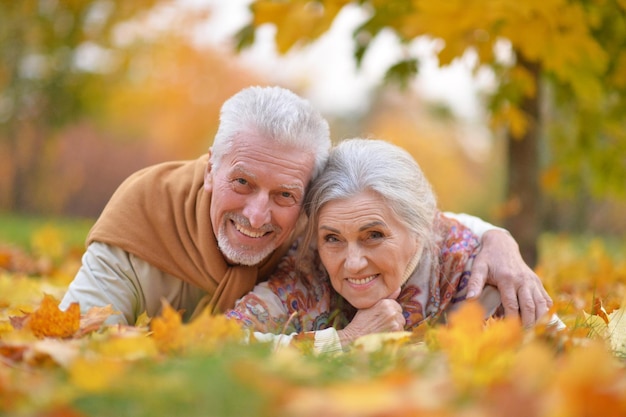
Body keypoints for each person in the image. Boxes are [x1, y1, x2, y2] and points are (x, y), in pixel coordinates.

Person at [60, 86, 550, 326]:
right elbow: (71, 340)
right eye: (241, 182)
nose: (257, 215)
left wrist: (496, 239)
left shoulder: (315, 226)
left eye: (284, 196)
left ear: (308, 200)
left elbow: (402, 218)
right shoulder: (143, 215)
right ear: (209, 168)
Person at [226, 138, 562, 353]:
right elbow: (218, 343)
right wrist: (343, 341)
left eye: (373, 236)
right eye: (333, 239)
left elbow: (566, 355)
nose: (353, 263)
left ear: (421, 227)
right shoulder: (307, 272)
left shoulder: (474, 271)